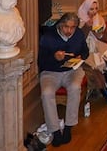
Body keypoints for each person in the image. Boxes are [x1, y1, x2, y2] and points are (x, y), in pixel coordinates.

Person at [38, 12, 89, 147]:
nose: (69, 31)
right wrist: (54, 57)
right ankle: (54, 130)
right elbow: (41, 62)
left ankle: (68, 126)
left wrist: (80, 57)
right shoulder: (48, 37)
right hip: (50, 72)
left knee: (75, 87)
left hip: (72, 70)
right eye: (66, 27)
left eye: (73, 27)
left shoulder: (78, 34)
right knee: (47, 93)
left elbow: (85, 51)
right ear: (60, 25)